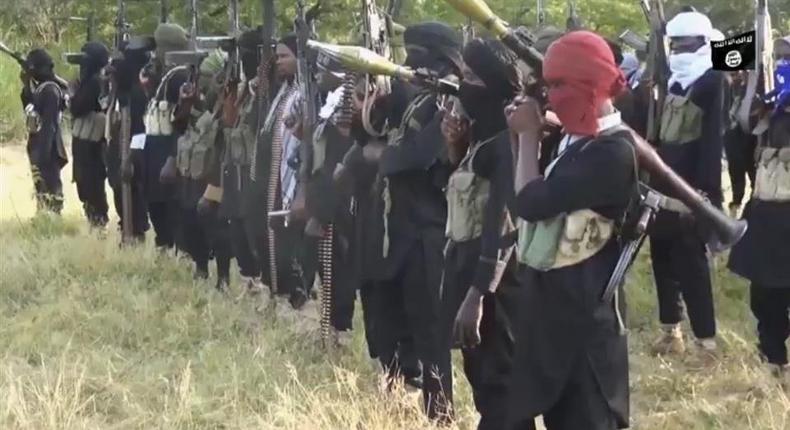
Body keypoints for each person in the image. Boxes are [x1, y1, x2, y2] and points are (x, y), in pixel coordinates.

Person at [507, 30, 636, 430]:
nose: (552, 96)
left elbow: (531, 203)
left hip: (586, 324)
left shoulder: (612, 152)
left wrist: (528, 136)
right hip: (554, 313)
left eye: (560, 85)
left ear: (587, 85)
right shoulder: (577, 140)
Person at [437, 38, 528, 429]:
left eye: (473, 77)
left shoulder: (506, 145)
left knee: (500, 387)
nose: (464, 85)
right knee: (484, 383)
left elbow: (502, 223)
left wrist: (478, 294)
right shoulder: (482, 142)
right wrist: (455, 148)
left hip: (497, 288)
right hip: (468, 274)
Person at [376, 21, 463, 420]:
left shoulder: (452, 99)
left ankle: (440, 413)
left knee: (431, 331)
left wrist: (386, 159)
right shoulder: (423, 98)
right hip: (406, 228)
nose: (410, 63)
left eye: (418, 55)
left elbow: (417, 156)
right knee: (400, 319)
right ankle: (402, 395)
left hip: (433, 230)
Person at [648, 11, 725, 361]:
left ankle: (705, 342)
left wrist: (705, 197)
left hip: (692, 186)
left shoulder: (712, 82)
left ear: (703, 44)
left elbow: (711, 144)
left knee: (691, 266)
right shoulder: (670, 79)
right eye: (674, 44)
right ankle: (670, 331)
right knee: (661, 258)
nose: (679, 50)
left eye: (686, 44)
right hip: (661, 183)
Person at [728, 36, 790, 382]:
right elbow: (739, 135)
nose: (783, 64)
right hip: (768, 220)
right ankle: (774, 361)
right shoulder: (767, 112)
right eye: (779, 58)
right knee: (766, 298)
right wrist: (753, 83)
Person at [247, 34, 306, 304]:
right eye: (278, 56)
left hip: (292, 178)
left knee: (288, 240)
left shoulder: (306, 92)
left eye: (285, 56)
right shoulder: (283, 89)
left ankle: (293, 296)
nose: (279, 61)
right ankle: (274, 290)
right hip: (270, 176)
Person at [173, 49, 232, 287]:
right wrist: (187, 102)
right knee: (190, 223)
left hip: (213, 172)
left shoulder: (226, 99)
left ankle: (224, 276)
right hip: (191, 170)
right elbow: (179, 125)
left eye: (208, 75)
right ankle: (200, 268)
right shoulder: (195, 98)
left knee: (216, 228)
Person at [138, 23, 191, 251]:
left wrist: (172, 158)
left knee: (170, 207)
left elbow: (181, 123)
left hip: (168, 151)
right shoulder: (162, 76)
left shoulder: (178, 77)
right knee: (155, 205)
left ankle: (177, 251)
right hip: (153, 150)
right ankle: (164, 246)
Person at [106, 36, 152, 242]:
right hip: (118, 149)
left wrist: (131, 158)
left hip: (133, 153)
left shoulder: (136, 94)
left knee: (134, 197)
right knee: (119, 194)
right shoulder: (119, 92)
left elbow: (141, 132)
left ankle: (135, 236)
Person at [70, 41, 111, 230]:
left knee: (92, 187)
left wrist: (73, 93)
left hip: (91, 143)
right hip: (84, 142)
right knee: (85, 187)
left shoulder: (95, 82)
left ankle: (98, 225)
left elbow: (78, 108)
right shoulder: (92, 81)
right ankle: (95, 224)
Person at [21, 49, 67, 214]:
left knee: (51, 185)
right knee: (41, 186)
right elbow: (29, 105)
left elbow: (49, 124)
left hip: (48, 145)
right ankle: (43, 215)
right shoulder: (42, 88)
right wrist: (26, 83)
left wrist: (44, 151)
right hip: (39, 144)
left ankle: (52, 217)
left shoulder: (50, 90)